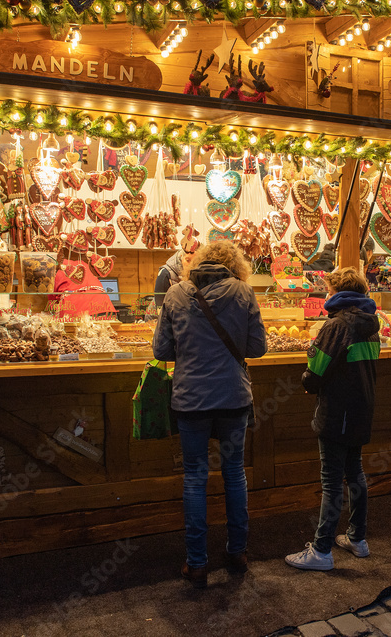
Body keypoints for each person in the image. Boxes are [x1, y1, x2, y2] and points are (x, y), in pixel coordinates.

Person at [152, 240, 267, 588]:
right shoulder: (244, 292)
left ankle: (197, 563)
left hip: (190, 400)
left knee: (195, 478)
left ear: (197, 262)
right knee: (234, 474)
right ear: (236, 265)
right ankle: (237, 553)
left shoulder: (175, 295)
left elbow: (161, 350)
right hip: (233, 398)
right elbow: (257, 348)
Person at [285, 267, 380, 570]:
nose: (325, 295)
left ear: (337, 293)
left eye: (327, 289)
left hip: (337, 411)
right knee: (356, 473)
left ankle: (322, 550)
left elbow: (315, 374)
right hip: (362, 410)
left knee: (331, 481)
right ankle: (357, 538)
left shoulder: (336, 326)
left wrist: (305, 379)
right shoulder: (371, 325)